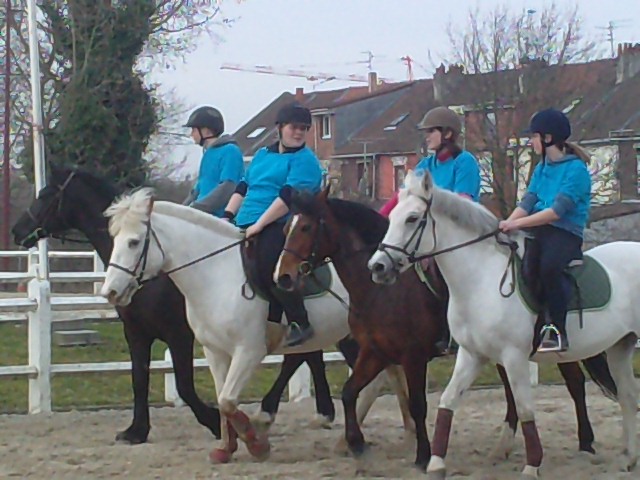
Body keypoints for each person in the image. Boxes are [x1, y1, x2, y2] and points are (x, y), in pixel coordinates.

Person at [379, 106, 481, 355]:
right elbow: (403, 196)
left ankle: (448, 334)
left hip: (458, 237)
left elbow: (463, 202)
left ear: (447, 133)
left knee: (440, 274)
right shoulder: (426, 164)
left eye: (430, 131)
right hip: (427, 235)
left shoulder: (465, 162)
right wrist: (378, 221)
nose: (426, 136)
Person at [223, 101, 323, 347]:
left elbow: (287, 197)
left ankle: (300, 322)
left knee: (272, 263)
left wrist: (259, 226)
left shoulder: (306, 161)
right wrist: (226, 215)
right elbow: (244, 186)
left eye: (304, 128)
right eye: (294, 127)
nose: (299, 132)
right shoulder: (262, 155)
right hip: (245, 219)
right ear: (279, 128)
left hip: (282, 223)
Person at [499, 108, 591, 353]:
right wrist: (506, 224)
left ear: (548, 138)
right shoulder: (541, 168)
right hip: (541, 231)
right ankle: (533, 324)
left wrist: (517, 224)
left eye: (534, 136)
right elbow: (527, 203)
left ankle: (558, 329)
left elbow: (555, 212)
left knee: (548, 267)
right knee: (526, 267)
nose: (531, 142)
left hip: (565, 233)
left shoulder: (576, 171)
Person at [183, 106, 244, 217]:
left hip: (218, 218)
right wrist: (180, 210)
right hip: (201, 214)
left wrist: (197, 207)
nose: (191, 134)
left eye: (194, 130)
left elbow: (228, 187)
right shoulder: (207, 154)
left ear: (206, 131)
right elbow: (197, 190)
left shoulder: (231, 151)